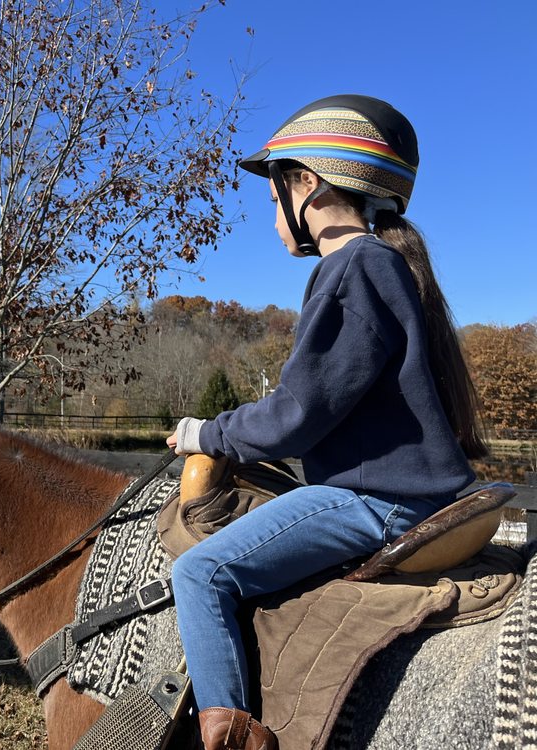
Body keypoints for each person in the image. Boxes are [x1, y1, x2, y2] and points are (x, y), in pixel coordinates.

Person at [165, 95, 486, 750]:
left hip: (378, 501)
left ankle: (229, 737)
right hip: (409, 492)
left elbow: (296, 415)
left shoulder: (352, 269)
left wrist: (205, 433)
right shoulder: (386, 266)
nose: (274, 217)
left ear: (306, 183)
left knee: (199, 574)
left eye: (275, 190)